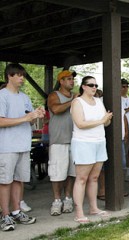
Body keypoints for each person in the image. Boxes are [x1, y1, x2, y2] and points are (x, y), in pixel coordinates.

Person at [0, 63, 44, 231]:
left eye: (23, 75)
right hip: (6, 147)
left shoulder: (25, 97)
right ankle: (5, 216)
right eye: (18, 75)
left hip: (23, 145)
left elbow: (31, 120)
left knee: (20, 180)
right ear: (9, 76)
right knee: (5, 182)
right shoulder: (2, 96)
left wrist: (36, 115)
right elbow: (1, 121)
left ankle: (17, 211)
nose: (22, 78)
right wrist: (25, 118)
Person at [71, 76, 113, 223]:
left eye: (95, 85)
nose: (94, 87)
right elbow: (80, 124)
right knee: (81, 178)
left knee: (94, 178)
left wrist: (107, 119)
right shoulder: (77, 102)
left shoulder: (98, 102)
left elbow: (105, 124)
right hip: (83, 143)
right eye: (91, 85)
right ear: (83, 86)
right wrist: (102, 120)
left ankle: (93, 208)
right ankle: (79, 212)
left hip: (99, 141)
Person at [47, 70, 78, 216]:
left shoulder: (76, 96)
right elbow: (56, 109)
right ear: (61, 81)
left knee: (72, 173)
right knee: (57, 173)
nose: (72, 81)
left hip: (76, 140)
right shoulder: (54, 95)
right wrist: (73, 101)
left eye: (73, 79)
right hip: (58, 140)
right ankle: (56, 200)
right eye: (69, 79)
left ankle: (68, 199)